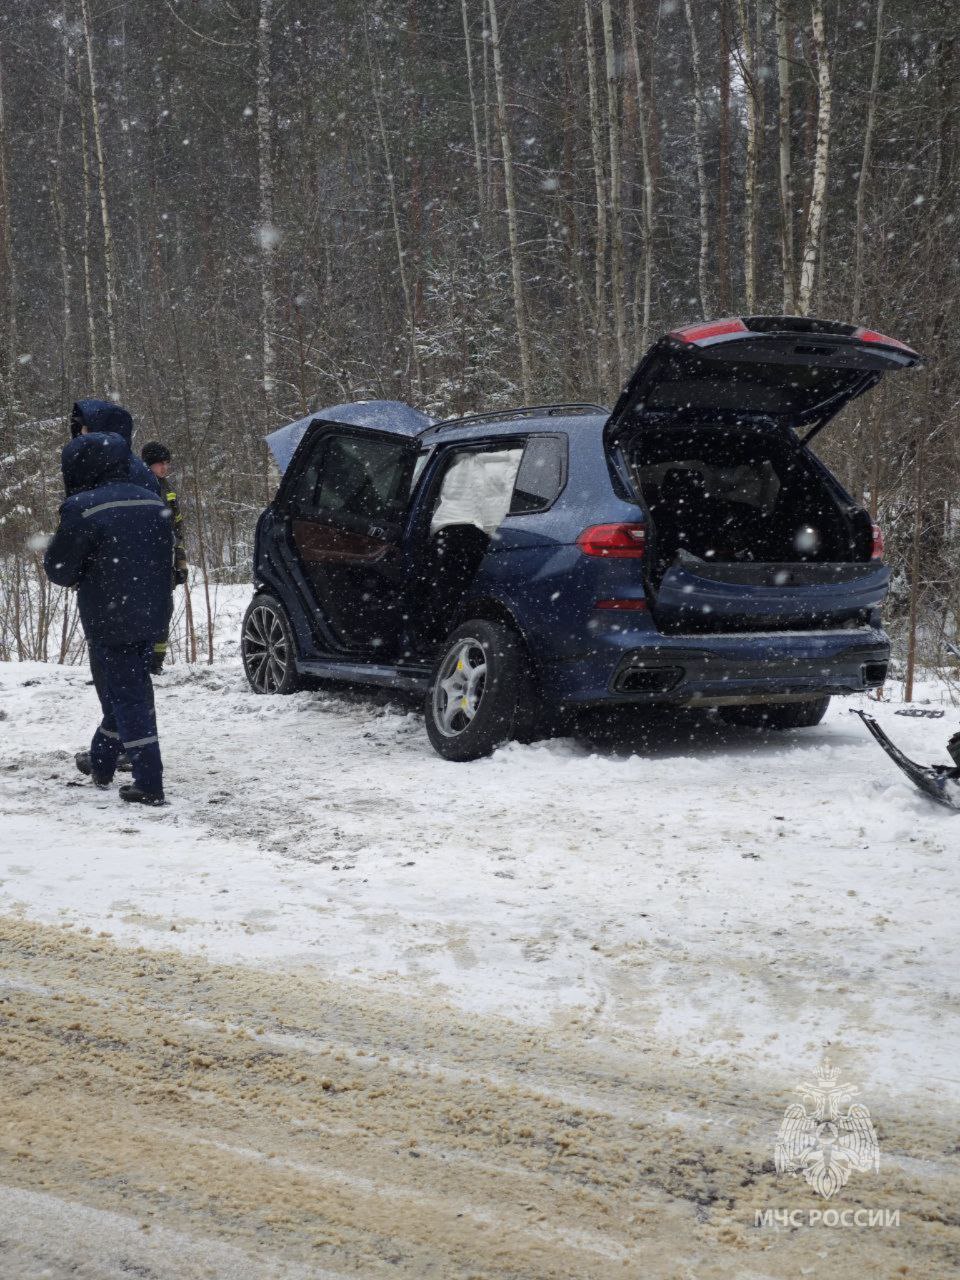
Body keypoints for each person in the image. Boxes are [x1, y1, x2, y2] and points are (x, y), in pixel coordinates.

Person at [44, 432, 174, 805]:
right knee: (130, 688)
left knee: (129, 695)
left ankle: (149, 783)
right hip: (153, 611)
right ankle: (101, 763)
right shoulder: (153, 500)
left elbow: (60, 570)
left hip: (110, 616)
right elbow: (165, 554)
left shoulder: (82, 507)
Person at [141, 442, 188, 674]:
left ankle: (156, 662)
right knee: (141, 613)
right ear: (149, 464)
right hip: (141, 564)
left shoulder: (167, 488)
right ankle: (139, 660)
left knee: (164, 611)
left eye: (167, 463)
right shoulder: (138, 486)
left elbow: (178, 528)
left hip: (164, 563)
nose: (165, 467)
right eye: (160, 463)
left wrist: (181, 564)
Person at [70, 399, 160, 496]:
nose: (82, 433)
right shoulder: (86, 468)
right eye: (81, 428)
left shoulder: (134, 472)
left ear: (105, 432)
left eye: (87, 429)